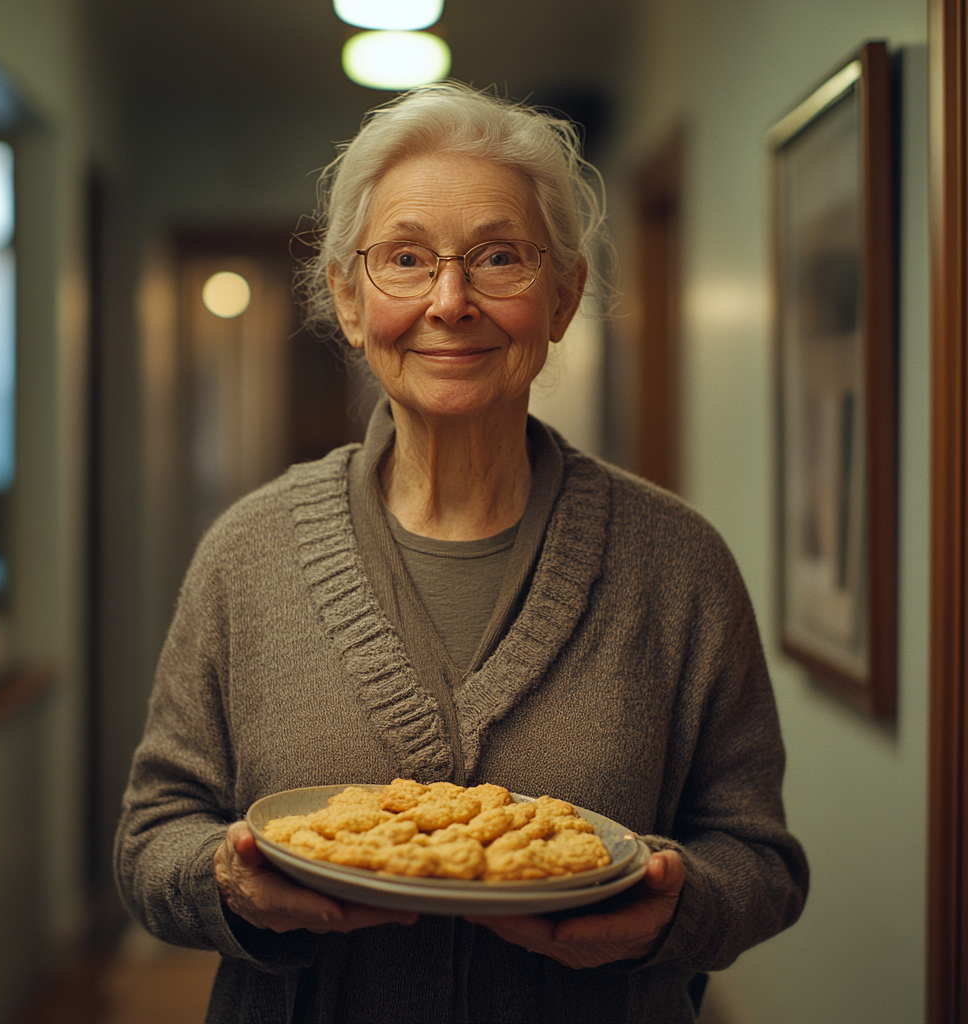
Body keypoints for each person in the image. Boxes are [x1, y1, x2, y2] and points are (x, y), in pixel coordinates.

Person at [115, 82, 808, 1023]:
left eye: (498, 258)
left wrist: (665, 915)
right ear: (350, 299)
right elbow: (152, 837)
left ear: (563, 297)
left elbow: (760, 859)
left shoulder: (678, 564)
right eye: (405, 258)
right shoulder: (249, 552)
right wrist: (231, 885)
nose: (451, 301)